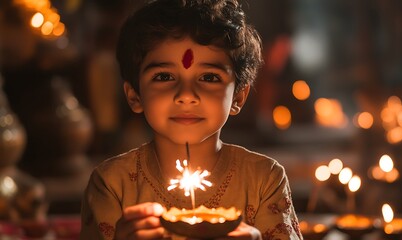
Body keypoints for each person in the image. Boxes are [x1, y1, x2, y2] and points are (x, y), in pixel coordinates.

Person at [80, 0, 303, 239]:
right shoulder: (113, 184)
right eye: (164, 76)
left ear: (238, 97)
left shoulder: (263, 180)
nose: (186, 96)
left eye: (209, 77)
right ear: (135, 96)